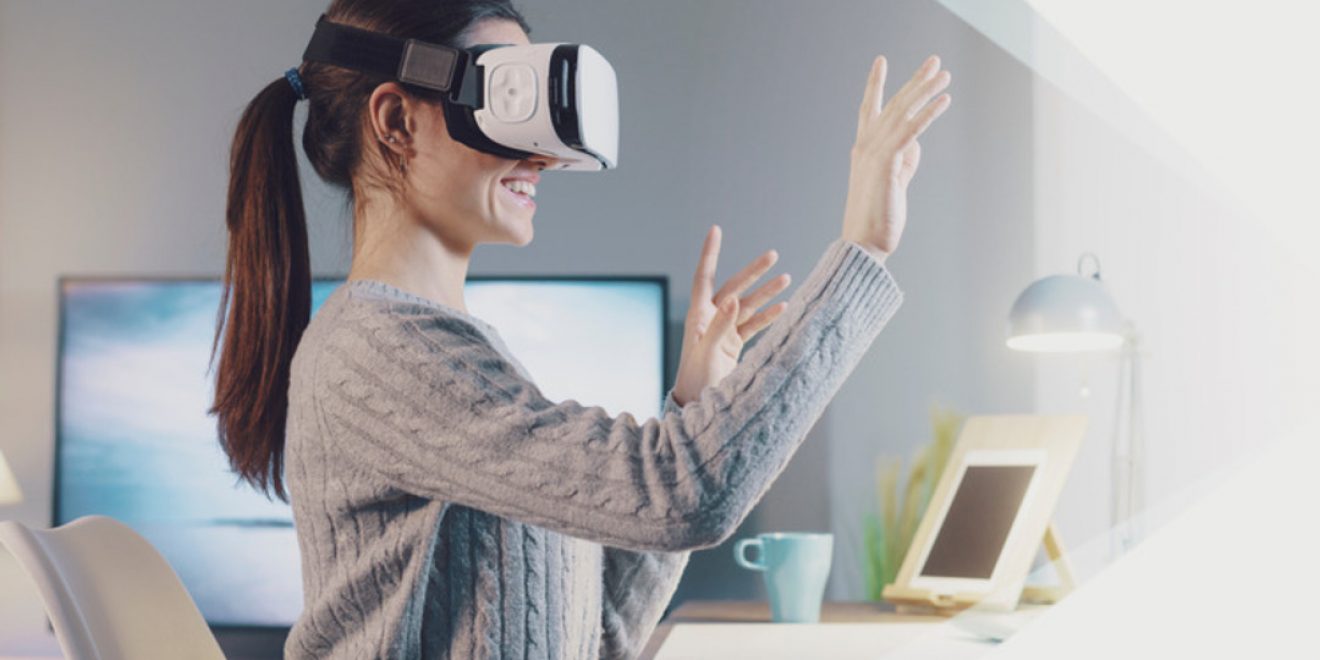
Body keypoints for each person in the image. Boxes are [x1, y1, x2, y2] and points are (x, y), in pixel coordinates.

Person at [210, 0, 951, 657]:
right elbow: (684, 493)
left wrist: (695, 401)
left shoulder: (451, 357)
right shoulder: (377, 353)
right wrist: (863, 251)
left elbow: (599, 638)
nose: (543, 154)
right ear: (397, 122)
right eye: (504, 102)